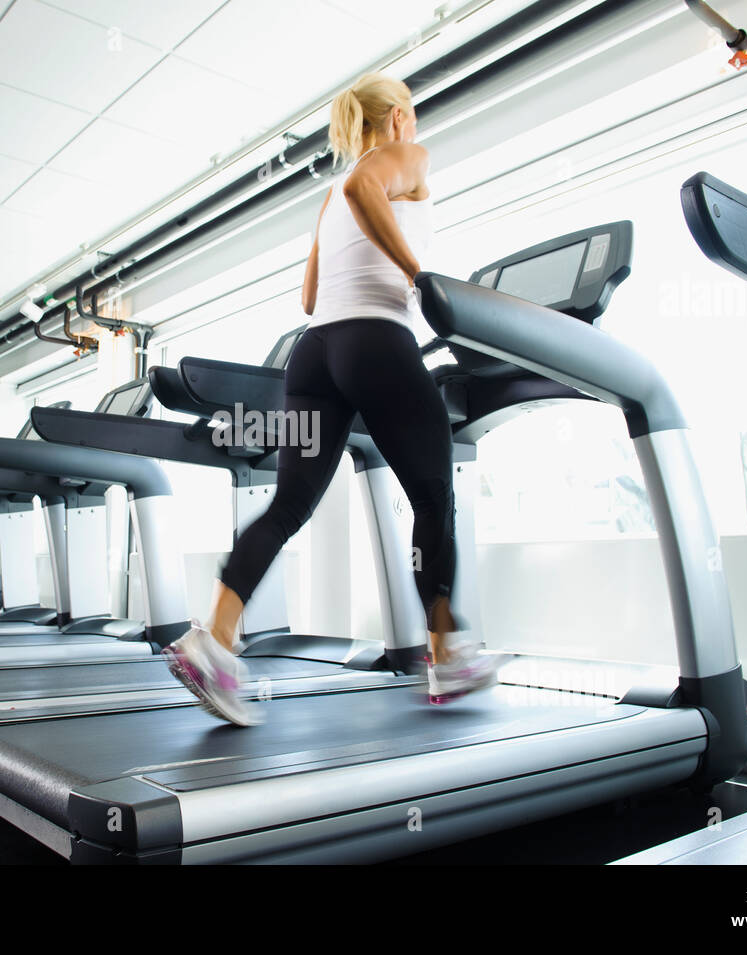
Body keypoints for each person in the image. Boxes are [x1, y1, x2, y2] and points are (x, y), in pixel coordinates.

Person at [163, 73, 504, 726]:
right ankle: (445, 655)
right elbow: (362, 184)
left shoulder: (330, 200)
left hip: (315, 354)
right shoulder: (405, 157)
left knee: (289, 503)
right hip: (377, 338)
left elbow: (310, 298)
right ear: (400, 115)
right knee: (433, 494)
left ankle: (214, 639)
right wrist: (418, 276)